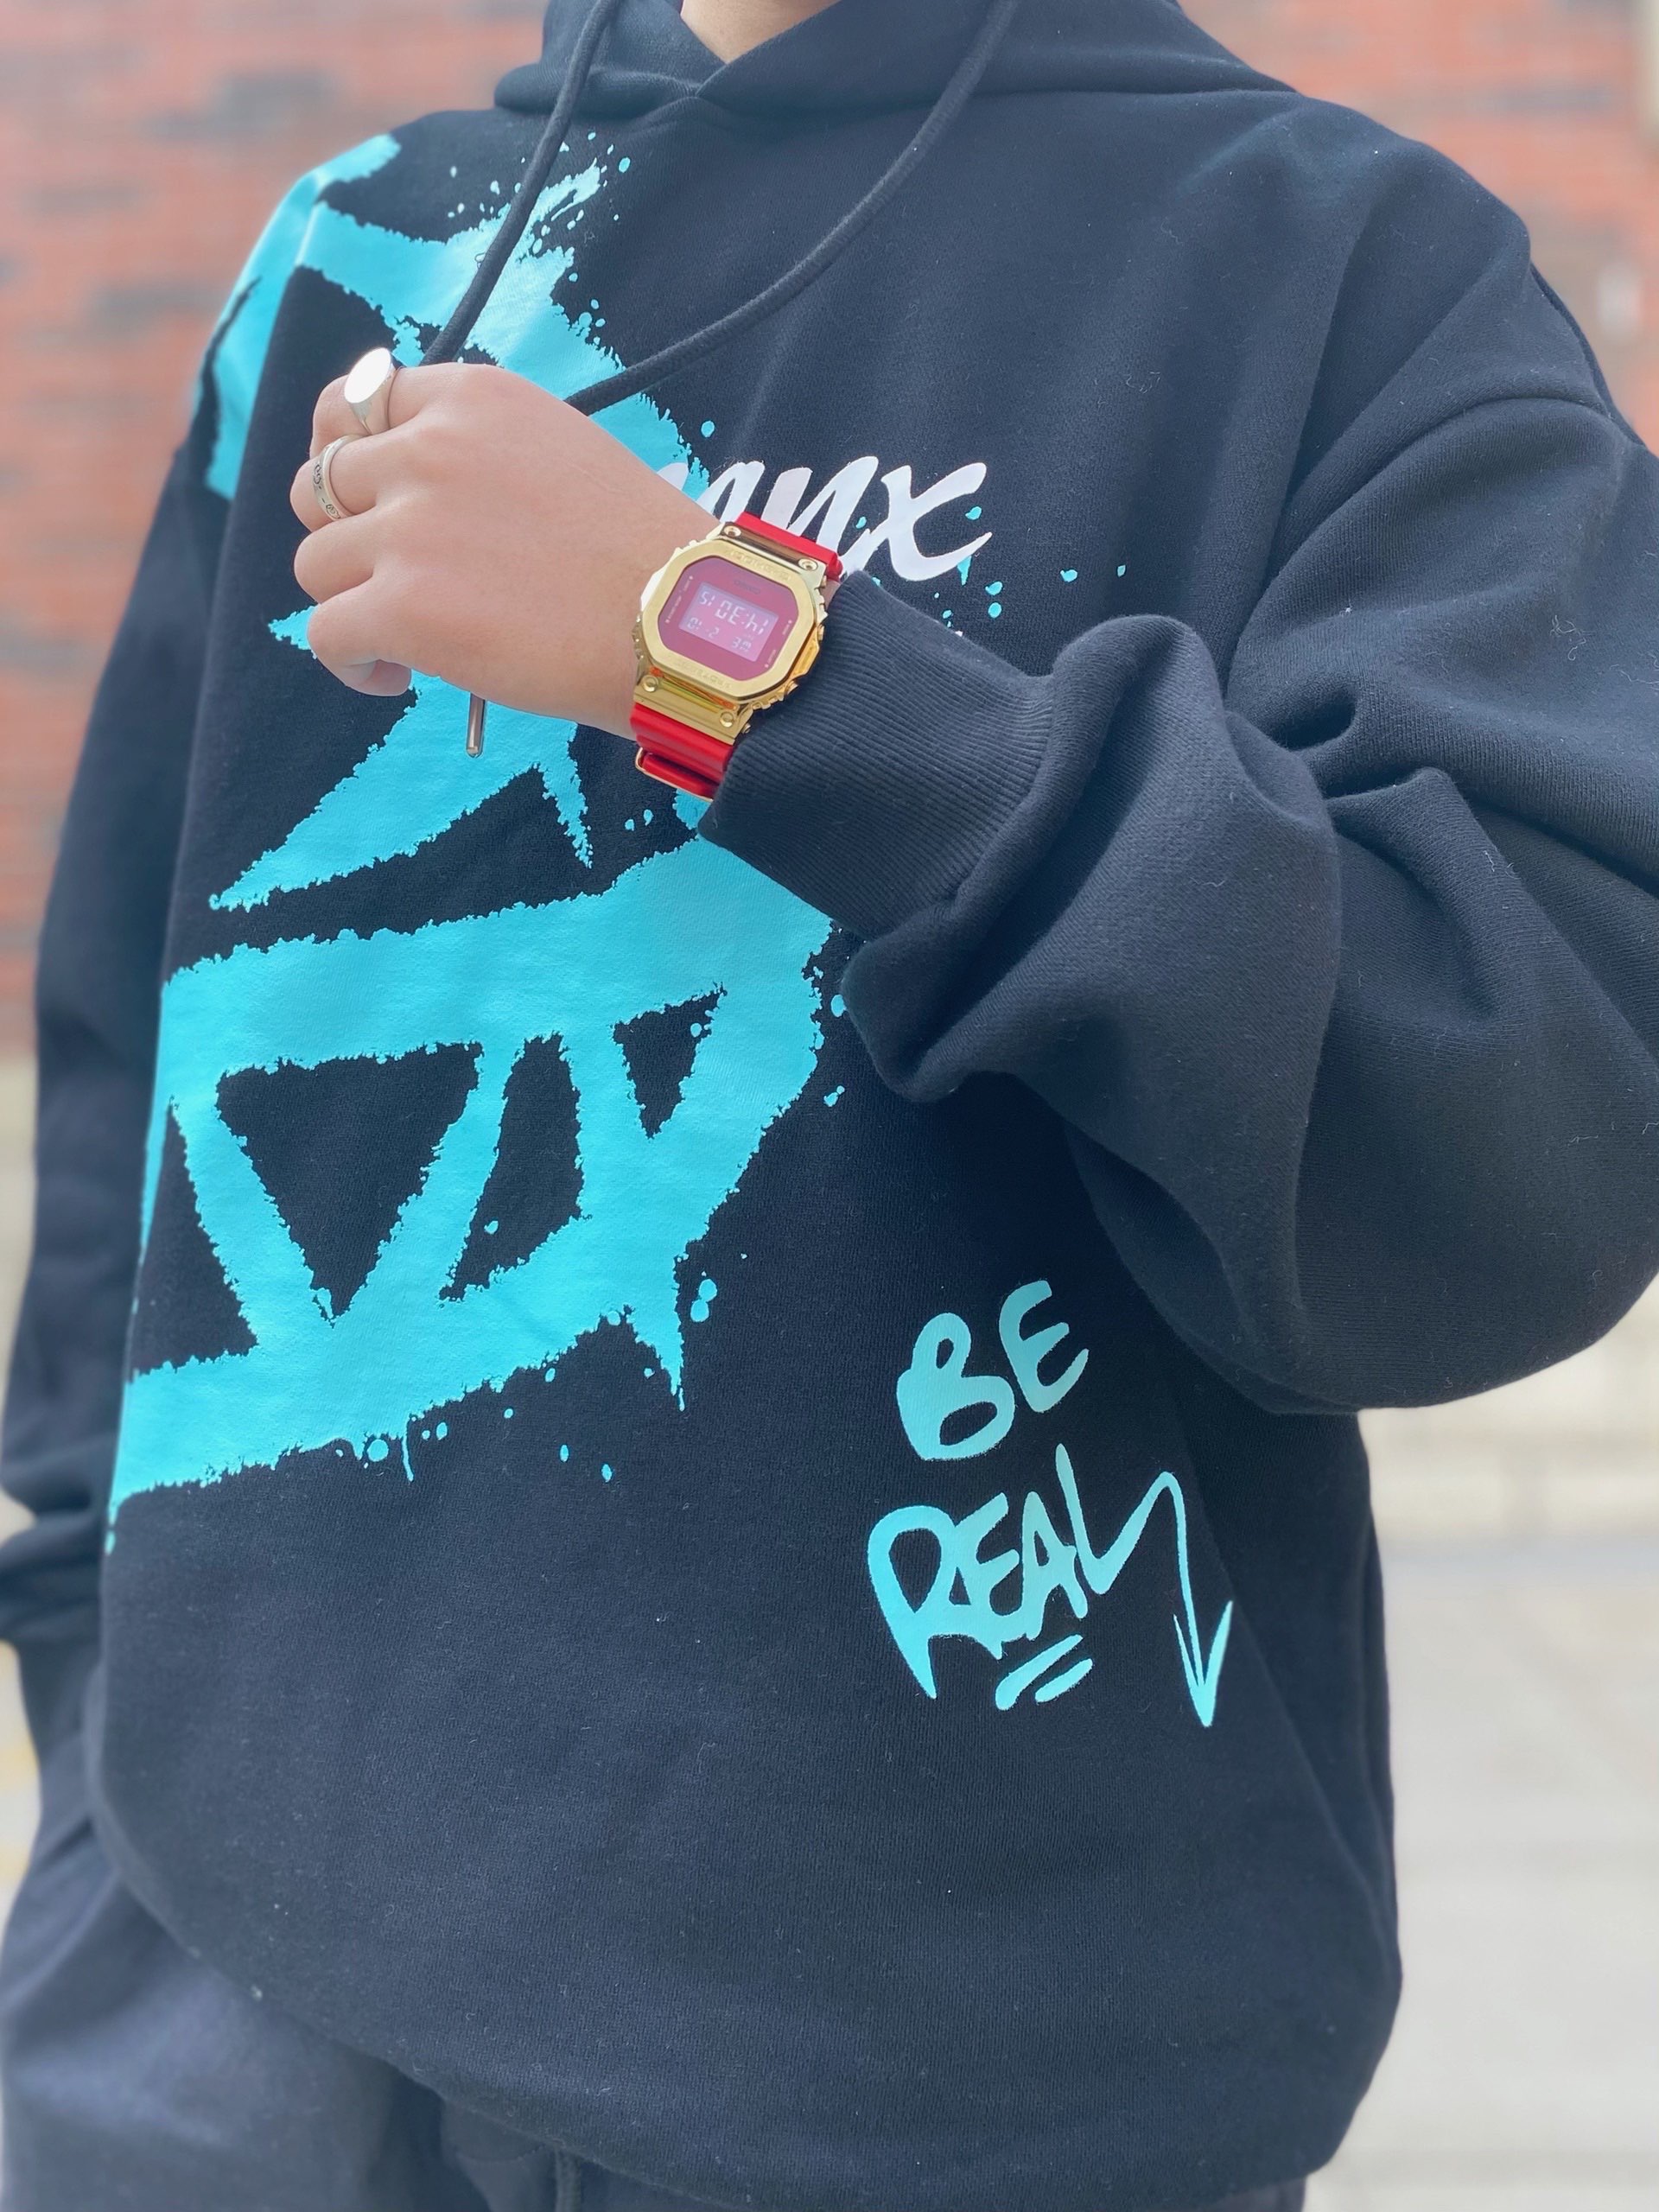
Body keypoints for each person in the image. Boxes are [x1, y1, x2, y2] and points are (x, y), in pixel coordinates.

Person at [2, 0, 1656, 2204]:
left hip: (948, 2067)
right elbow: (144, 1010)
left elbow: (1522, 1122)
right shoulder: (365, 247)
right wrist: (86, 1645)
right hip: (205, 2000)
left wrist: (711, 639)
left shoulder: (1340, 270)